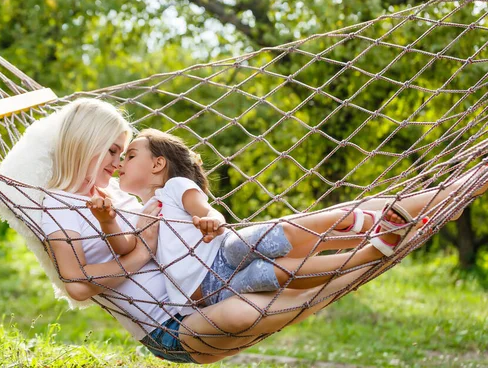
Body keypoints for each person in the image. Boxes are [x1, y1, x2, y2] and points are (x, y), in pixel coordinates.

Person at [40, 98, 488, 364]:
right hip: (175, 325)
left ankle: (448, 194)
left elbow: (176, 218)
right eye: (112, 151)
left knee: (315, 225)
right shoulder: (53, 206)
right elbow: (78, 285)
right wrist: (136, 251)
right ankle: (377, 252)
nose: (118, 163)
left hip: (215, 271)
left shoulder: (126, 198)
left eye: (124, 152)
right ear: (85, 145)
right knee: (265, 301)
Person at [88, 128, 421, 312]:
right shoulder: (139, 209)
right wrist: (107, 220)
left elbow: (206, 210)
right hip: (207, 291)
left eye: (129, 156)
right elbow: (127, 246)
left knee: (265, 237)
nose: (120, 163)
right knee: (277, 274)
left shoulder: (176, 187)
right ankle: (370, 251)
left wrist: (209, 221)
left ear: (158, 164)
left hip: (219, 253)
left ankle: (363, 221)